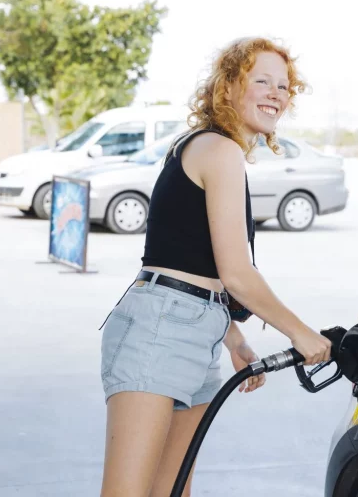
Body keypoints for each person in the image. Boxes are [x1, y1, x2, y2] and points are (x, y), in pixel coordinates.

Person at [99, 37, 333, 497]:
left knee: (172, 490)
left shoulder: (209, 150)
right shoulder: (219, 151)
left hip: (192, 325)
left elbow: (183, 253)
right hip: (160, 329)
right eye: (260, 80)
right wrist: (299, 332)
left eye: (283, 86)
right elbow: (237, 274)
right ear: (227, 88)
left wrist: (234, 335)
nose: (275, 93)